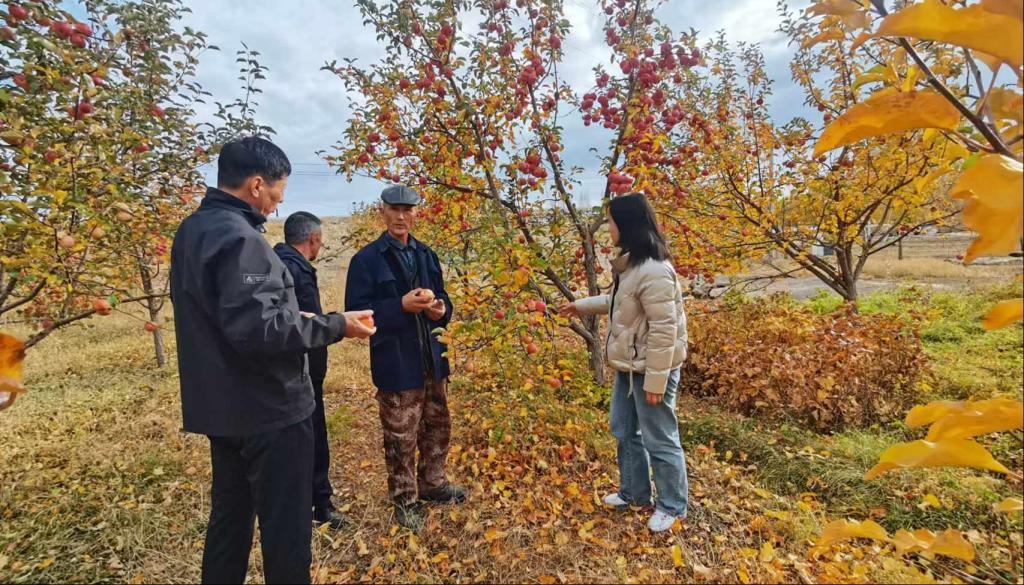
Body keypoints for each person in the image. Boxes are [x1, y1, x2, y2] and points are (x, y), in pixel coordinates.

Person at [170, 136, 375, 584]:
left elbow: (228, 315)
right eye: (279, 188)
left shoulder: (193, 232)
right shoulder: (242, 239)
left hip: (224, 409)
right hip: (269, 410)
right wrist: (336, 325)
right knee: (286, 531)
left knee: (229, 522)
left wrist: (297, 316)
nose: (280, 201)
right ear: (257, 184)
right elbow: (262, 332)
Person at [557, 192, 690, 533]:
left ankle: (672, 506)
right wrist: (579, 306)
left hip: (651, 369)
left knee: (660, 438)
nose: (609, 229)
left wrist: (657, 381)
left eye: (612, 222)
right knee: (624, 430)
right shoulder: (632, 267)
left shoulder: (655, 271)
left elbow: (665, 329)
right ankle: (634, 493)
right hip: (631, 366)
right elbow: (618, 302)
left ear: (627, 225)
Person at [344, 185, 466, 532]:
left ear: (416, 213)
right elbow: (358, 315)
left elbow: (443, 299)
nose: (400, 216)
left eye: (407, 210)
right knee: (400, 436)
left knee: (437, 426)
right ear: (382, 211)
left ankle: (433, 484)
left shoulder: (426, 254)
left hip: (433, 360)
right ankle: (405, 500)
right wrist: (400, 306)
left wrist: (439, 309)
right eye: (394, 209)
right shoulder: (367, 260)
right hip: (397, 363)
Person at [273, 212, 346, 530]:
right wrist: (339, 324)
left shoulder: (275, 263)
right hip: (303, 373)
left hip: (287, 372)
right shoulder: (296, 271)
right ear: (313, 239)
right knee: (312, 435)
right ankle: (320, 504)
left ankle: (304, 502)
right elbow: (304, 325)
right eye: (320, 240)